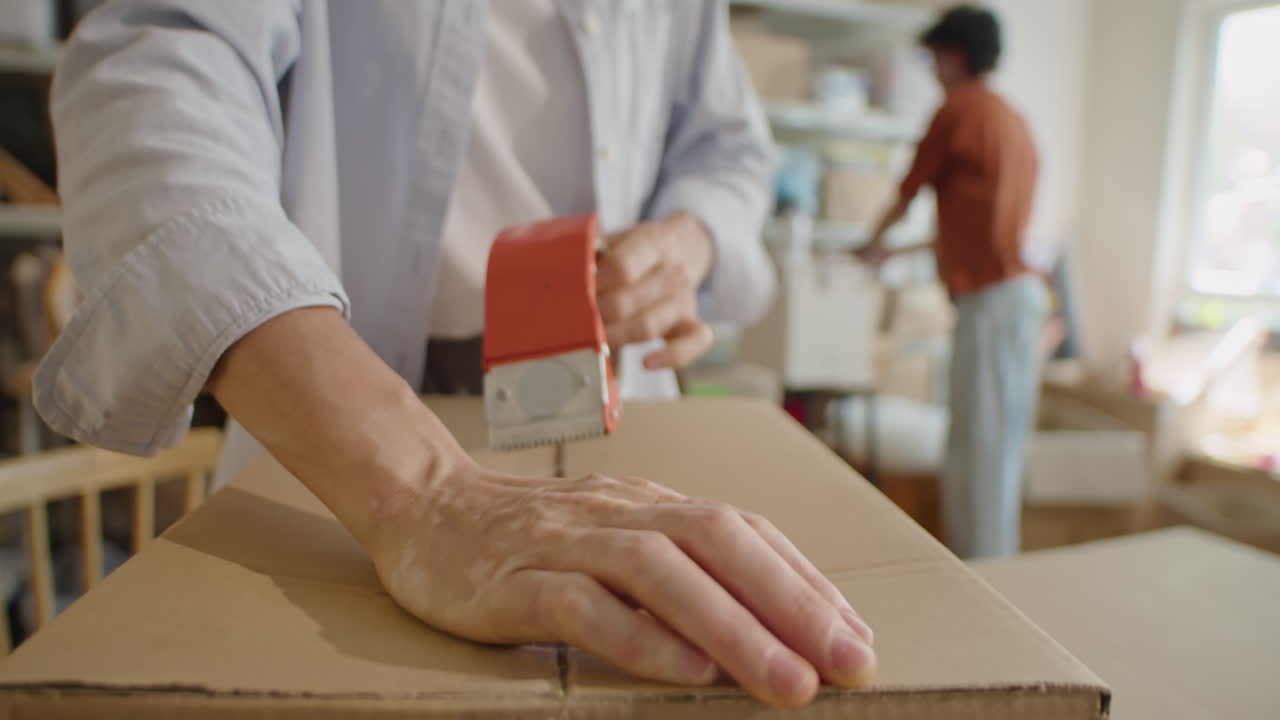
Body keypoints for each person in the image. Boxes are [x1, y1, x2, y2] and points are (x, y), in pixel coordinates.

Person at [35, 1, 876, 708]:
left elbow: (728, 148)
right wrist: (423, 491)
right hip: (343, 432)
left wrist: (691, 240)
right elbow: (154, 74)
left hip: (609, 405)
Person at [857, 5, 1044, 559]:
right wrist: (900, 248)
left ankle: (984, 583)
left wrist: (872, 243)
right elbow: (979, 225)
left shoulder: (958, 111)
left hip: (991, 306)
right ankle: (992, 572)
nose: (933, 70)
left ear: (954, 56)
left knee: (976, 454)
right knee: (997, 452)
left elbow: (908, 189)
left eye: (934, 58)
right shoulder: (1011, 121)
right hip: (1016, 300)